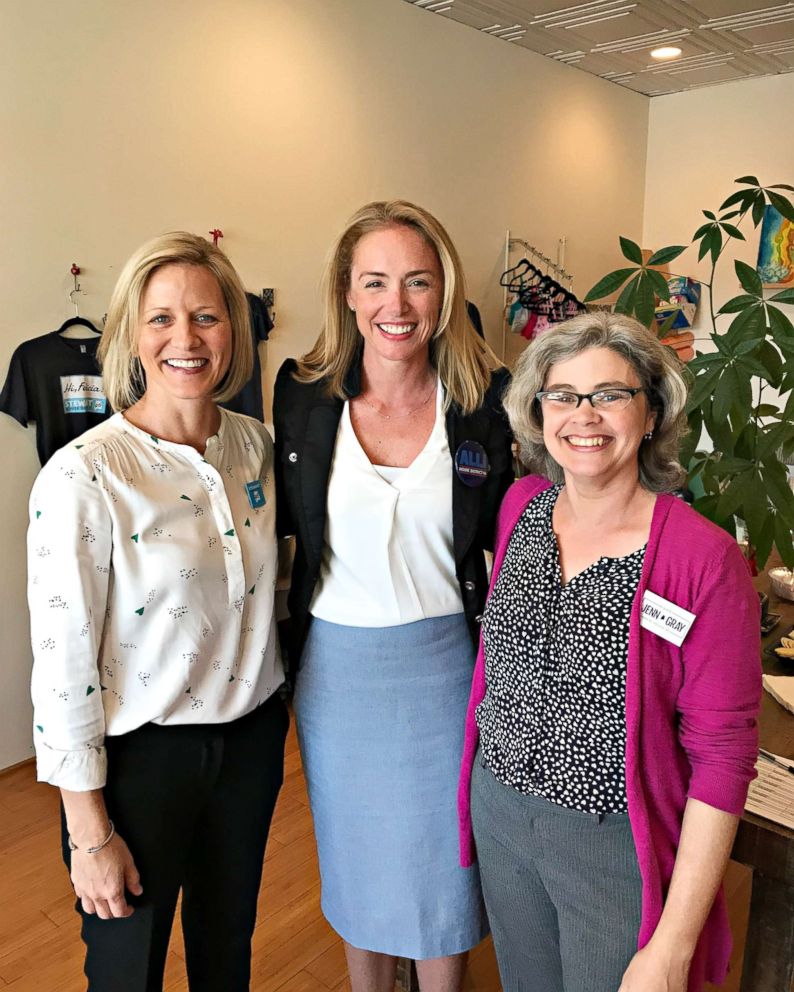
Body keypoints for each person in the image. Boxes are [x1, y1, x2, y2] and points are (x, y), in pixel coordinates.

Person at [457, 311, 762, 992]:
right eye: (562, 395)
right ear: (539, 412)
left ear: (650, 411)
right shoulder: (521, 507)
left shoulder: (701, 559)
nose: (583, 416)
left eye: (610, 395)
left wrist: (673, 948)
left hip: (613, 842)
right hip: (500, 814)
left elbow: (724, 754)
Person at [27, 232, 288, 992]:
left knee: (226, 949)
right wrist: (89, 831)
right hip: (141, 760)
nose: (185, 339)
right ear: (130, 336)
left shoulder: (259, 449)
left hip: (249, 745)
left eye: (206, 317)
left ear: (233, 330)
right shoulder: (86, 474)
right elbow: (63, 658)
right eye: (161, 319)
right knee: (124, 970)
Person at [273, 200, 513, 992]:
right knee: (357, 859)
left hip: (446, 666)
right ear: (346, 292)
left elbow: (516, 535)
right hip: (337, 676)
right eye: (374, 282)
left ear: (443, 291)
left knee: (443, 866)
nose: (396, 305)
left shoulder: (487, 398)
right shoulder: (302, 394)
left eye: (417, 282)